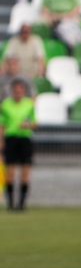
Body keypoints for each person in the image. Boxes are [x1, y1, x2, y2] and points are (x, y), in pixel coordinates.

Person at [1, 79, 37, 212]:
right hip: (10, 139)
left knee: (25, 173)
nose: (18, 92)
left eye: (20, 89)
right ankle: (10, 204)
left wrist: (27, 125)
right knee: (10, 173)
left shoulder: (29, 104)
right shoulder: (6, 105)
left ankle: (21, 204)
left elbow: (34, 123)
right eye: (15, 89)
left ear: (23, 91)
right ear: (12, 91)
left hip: (24, 139)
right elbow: (2, 124)